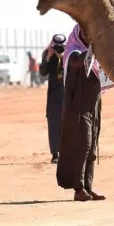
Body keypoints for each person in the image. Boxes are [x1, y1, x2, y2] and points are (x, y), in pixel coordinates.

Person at [56, 24, 107, 201]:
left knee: (92, 146)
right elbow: (78, 62)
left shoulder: (95, 55)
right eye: (86, 34)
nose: (88, 37)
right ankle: (78, 188)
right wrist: (95, 47)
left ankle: (88, 187)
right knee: (82, 145)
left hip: (93, 105)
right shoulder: (73, 52)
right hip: (77, 107)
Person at [39, 35, 66, 163]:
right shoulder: (47, 53)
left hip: (68, 93)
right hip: (54, 94)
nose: (59, 48)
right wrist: (48, 57)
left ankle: (68, 152)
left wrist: (64, 57)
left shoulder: (71, 52)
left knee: (69, 123)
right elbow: (43, 72)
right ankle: (55, 153)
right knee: (54, 123)